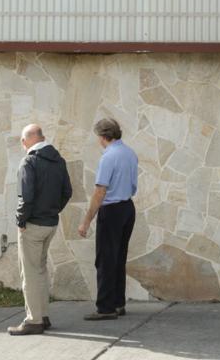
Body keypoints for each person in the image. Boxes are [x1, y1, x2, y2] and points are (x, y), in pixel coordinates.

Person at [8, 124, 72, 336]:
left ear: (26, 140)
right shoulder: (58, 160)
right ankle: (43, 316)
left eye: (22, 141)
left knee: (30, 273)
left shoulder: (29, 161)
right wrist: (53, 211)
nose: (22, 144)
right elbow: (67, 192)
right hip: (50, 224)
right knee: (41, 270)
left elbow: (25, 197)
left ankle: (34, 320)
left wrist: (20, 220)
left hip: (33, 225)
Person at [78, 118, 138, 321]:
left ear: (103, 136)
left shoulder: (108, 157)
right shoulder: (130, 153)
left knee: (105, 259)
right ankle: (118, 303)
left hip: (111, 210)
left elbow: (100, 190)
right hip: (128, 208)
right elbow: (133, 185)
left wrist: (86, 221)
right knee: (119, 257)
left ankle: (105, 307)